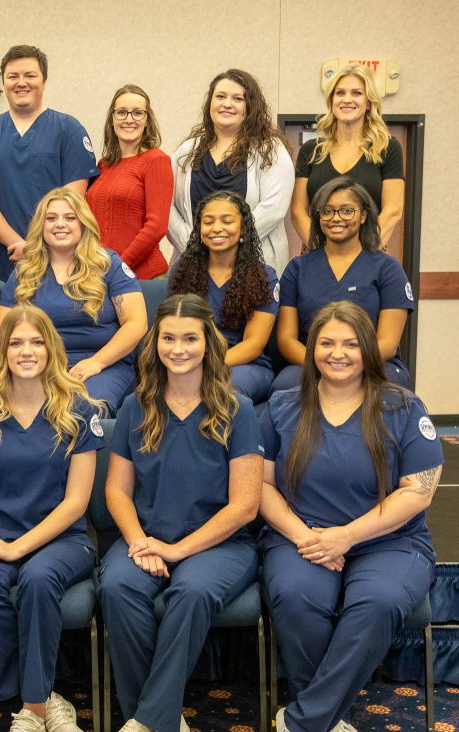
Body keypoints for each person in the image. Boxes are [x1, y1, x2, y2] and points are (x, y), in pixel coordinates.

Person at [259, 300, 441, 732]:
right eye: (326, 343)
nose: (337, 353)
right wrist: (308, 536)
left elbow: (420, 491)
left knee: (378, 603)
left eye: (351, 343)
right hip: (300, 536)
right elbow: (260, 487)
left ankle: (304, 722)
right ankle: (328, 721)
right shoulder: (281, 407)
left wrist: (346, 536)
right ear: (310, 349)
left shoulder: (403, 407)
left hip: (390, 541)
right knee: (297, 599)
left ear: (369, 350)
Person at [97, 293, 263, 732]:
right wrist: (138, 541)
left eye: (190, 338)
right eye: (168, 337)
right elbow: (116, 490)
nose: (178, 348)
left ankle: (145, 721)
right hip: (148, 536)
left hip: (220, 545)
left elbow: (245, 505)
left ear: (208, 343)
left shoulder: (238, 409)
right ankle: (162, 720)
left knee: (191, 593)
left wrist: (177, 550)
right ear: (155, 344)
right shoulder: (136, 405)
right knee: (116, 586)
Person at [0, 305, 105, 732]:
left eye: (36, 342)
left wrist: (18, 548)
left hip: (63, 540)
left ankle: (33, 712)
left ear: (51, 348)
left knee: (38, 580)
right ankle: (40, 696)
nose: (26, 351)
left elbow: (77, 502)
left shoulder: (81, 409)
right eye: (16, 343)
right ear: (2, 351)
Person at [0, 188, 147, 415]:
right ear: (41, 225)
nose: (60, 224)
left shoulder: (109, 265)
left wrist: (96, 362)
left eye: (70, 217)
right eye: (51, 218)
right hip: (39, 367)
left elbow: (136, 323)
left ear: (83, 223)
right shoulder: (24, 271)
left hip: (102, 367)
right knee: (31, 411)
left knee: (82, 410)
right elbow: (4, 329)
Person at [0, 45, 99, 281]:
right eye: (13, 76)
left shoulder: (69, 129)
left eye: (30, 75)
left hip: (57, 255)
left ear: (44, 81)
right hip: (3, 256)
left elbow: (72, 200)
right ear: (3, 82)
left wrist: (38, 245)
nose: (21, 82)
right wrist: (17, 243)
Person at [274, 176, 412, 393]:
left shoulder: (387, 268)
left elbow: (387, 342)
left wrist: (347, 362)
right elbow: (286, 339)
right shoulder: (298, 268)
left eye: (347, 210)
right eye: (327, 211)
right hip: (310, 361)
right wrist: (322, 362)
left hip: (372, 362)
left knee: (389, 391)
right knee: (284, 386)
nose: (336, 218)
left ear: (364, 215)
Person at [169, 69, 294, 274]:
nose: (227, 104)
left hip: (253, 266)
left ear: (250, 106)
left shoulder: (270, 149)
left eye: (237, 98)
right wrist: (193, 244)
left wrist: (226, 242)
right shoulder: (187, 151)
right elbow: (167, 205)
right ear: (210, 103)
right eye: (220, 97)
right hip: (193, 265)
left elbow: (273, 209)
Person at [167, 191, 278, 402]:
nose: (217, 228)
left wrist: (205, 363)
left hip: (243, 364)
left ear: (243, 227)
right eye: (208, 222)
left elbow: (254, 344)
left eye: (227, 221)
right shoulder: (182, 271)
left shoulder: (264, 276)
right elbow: (173, 328)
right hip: (188, 357)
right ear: (199, 229)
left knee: (216, 393)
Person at [290, 64, 404, 246]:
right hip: (317, 254)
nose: (347, 99)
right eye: (340, 93)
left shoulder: (387, 147)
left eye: (357, 93)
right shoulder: (311, 150)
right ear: (332, 100)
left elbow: (393, 211)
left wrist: (360, 254)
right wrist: (321, 252)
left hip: (370, 253)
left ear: (369, 102)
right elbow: (297, 211)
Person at [87, 84, 173, 280]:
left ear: (147, 120)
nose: (129, 119)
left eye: (137, 113)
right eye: (122, 112)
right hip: (100, 274)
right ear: (112, 119)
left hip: (142, 277)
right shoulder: (104, 165)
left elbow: (157, 226)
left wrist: (119, 267)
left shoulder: (156, 160)